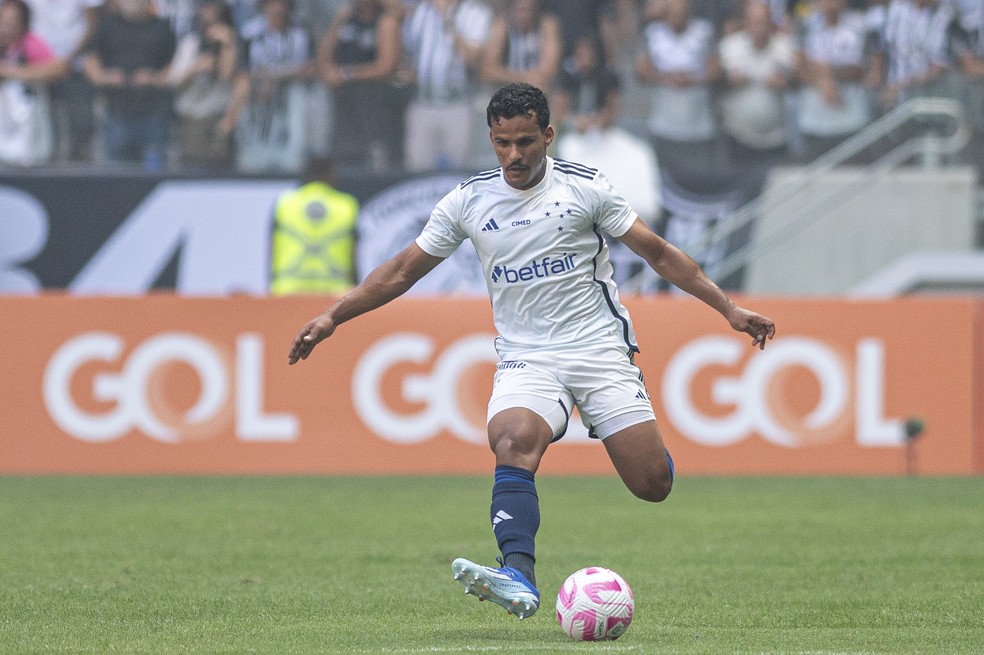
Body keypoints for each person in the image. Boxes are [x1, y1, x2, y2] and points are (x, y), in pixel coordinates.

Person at [287, 82, 775, 619]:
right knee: (512, 439)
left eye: (524, 141)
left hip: (597, 346)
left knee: (651, 484)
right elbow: (403, 271)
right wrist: (334, 315)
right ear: (491, 139)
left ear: (548, 135)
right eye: (501, 143)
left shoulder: (587, 189)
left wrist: (727, 308)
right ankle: (518, 574)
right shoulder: (468, 202)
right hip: (527, 355)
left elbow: (658, 253)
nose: (513, 155)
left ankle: (643, 445)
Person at [83, 0, 176, 169]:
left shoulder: (162, 27)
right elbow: (91, 61)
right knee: (116, 175)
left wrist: (154, 78)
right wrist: (105, 77)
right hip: (115, 113)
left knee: (154, 172)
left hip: (153, 113)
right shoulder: (108, 25)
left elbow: (174, 67)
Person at [316, 0, 403, 171]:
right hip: (344, 107)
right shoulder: (344, 19)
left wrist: (346, 74)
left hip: (376, 107)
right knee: (342, 161)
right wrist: (336, 24)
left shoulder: (385, 20)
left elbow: (386, 66)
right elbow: (323, 60)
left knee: (376, 162)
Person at [270, 156, 359, 295]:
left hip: (287, 290)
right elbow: (354, 254)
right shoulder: (346, 205)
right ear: (331, 175)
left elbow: (272, 248)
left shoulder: (285, 203)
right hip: (335, 293)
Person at [167, 0, 239, 169]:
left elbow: (226, 76)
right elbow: (175, 83)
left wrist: (227, 44)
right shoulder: (190, 44)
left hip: (218, 119)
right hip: (191, 119)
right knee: (191, 170)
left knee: (220, 173)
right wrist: (195, 69)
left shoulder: (233, 44)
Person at [0, 0, 67, 166]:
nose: (6, 27)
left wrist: (13, 72)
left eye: (12, 22)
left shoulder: (29, 43)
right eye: (3, 21)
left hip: (25, 121)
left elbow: (59, 69)